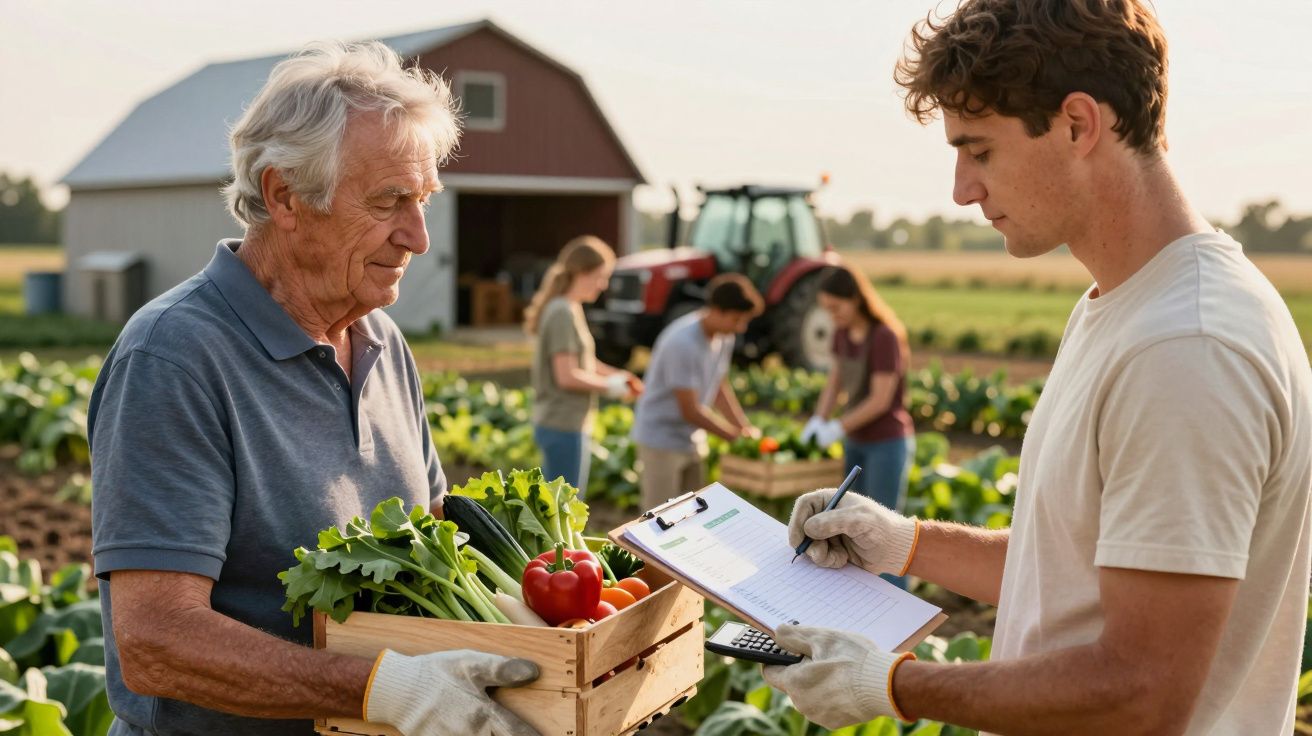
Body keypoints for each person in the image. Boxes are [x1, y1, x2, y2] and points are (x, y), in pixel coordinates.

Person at [764, 2, 1312, 734]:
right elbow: (1082, 566)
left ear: (1079, 125)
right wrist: (906, 542)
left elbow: (1142, 692)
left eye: (980, 150)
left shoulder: (1186, 346)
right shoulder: (1122, 308)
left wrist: (893, 685)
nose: (962, 189)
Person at [88, 42, 539, 736]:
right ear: (284, 195)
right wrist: (384, 690)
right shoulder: (176, 356)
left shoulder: (382, 342)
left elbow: (431, 525)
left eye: (421, 201)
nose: (417, 237)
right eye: (389, 201)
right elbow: (156, 643)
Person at [802, 264, 915, 588]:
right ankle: (863, 599)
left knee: (888, 530)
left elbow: (881, 400)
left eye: (836, 308)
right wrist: (818, 420)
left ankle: (897, 605)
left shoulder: (884, 337)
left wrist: (835, 427)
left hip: (886, 443)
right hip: (856, 441)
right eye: (827, 309)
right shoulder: (841, 334)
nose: (832, 315)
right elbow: (834, 382)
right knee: (852, 525)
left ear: (855, 299)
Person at [632, 274, 764, 511]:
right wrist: (734, 437)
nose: (740, 327)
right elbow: (689, 411)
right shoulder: (682, 342)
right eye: (736, 319)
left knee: (691, 515)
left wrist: (743, 426)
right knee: (657, 517)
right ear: (716, 310)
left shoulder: (725, 337)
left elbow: (718, 385)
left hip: (691, 440)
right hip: (661, 439)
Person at [525, 235, 641, 494]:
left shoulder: (570, 308)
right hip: (562, 423)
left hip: (566, 422)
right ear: (582, 272)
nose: (603, 285)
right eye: (601, 276)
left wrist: (620, 375)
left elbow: (585, 362)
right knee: (563, 510)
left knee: (562, 505)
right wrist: (611, 387)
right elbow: (567, 375)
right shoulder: (562, 312)